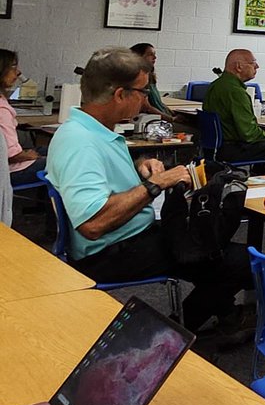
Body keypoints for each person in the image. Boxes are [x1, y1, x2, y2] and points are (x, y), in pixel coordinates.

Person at [45, 47, 253, 333]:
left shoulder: (92, 130)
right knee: (241, 261)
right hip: (110, 253)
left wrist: (141, 165)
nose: (145, 101)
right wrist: (157, 183)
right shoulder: (80, 143)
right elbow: (93, 224)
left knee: (210, 245)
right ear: (120, 94)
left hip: (129, 236)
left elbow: (104, 180)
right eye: (142, 93)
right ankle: (170, 333)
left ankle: (225, 315)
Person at [202, 49, 265, 173]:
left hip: (214, 148)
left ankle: (259, 177)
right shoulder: (236, 92)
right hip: (232, 150)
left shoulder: (214, 86)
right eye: (253, 63)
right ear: (239, 67)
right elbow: (248, 133)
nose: (257, 66)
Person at [0, 48, 45, 224]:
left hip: (10, 163)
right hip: (11, 170)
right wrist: (28, 155)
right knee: (62, 162)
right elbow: (11, 155)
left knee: (50, 150)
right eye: (12, 67)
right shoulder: (2, 110)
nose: (18, 72)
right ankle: (55, 226)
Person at [130, 43, 174, 122]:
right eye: (150, 54)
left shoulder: (150, 76)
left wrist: (172, 113)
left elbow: (158, 103)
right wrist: (171, 119)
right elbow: (147, 107)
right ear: (139, 57)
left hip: (163, 117)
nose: (155, 57)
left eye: (154, 54)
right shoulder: (138, 78)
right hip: (154, 121)